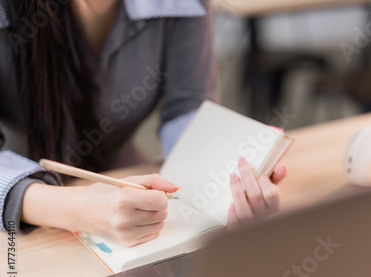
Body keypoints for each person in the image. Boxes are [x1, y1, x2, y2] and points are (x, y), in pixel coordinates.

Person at [0, 0, 288, 246]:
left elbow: (187, 106)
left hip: (126, 179)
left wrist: (222, 182)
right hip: (20, 202)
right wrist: (76, 208)